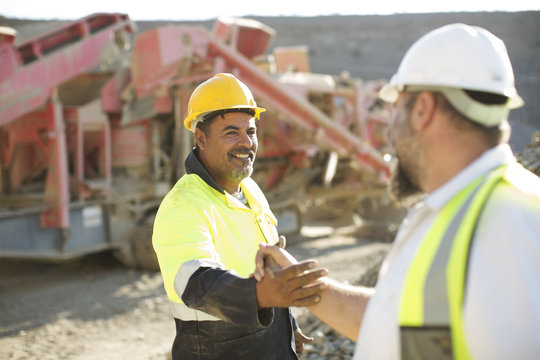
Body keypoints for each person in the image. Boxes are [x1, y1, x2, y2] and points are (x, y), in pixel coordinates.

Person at [254, 23, 540, 360]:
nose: (388, 129)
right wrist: (303, 285)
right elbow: (399, 323)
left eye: (394, 109)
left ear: (422, 110)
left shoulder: (513, 224)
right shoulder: (459, 209)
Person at [152, 73, 328, 360]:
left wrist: (287, 325)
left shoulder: (250, 189)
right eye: (231, 132)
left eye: (251, 131)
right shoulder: (184, 205)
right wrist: (262, 296)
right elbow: (196, 283)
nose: (246, 142)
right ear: (201, 138)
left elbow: (267, 271)